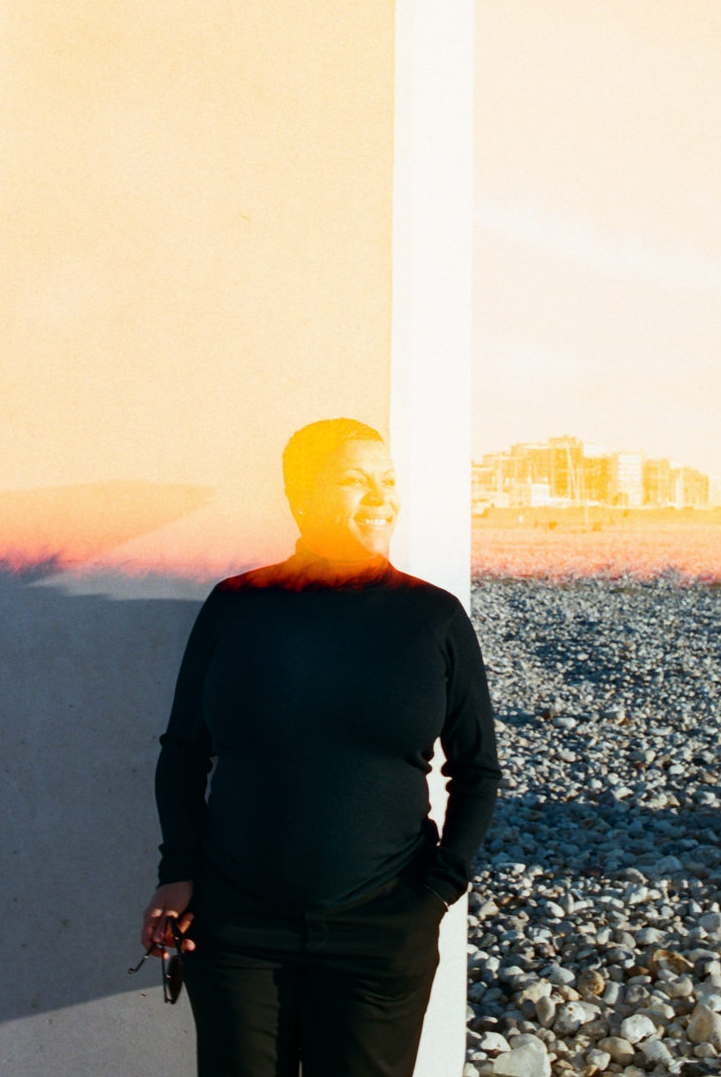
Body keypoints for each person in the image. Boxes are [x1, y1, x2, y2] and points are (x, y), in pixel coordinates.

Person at [139, 418, 501, 1077]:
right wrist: (178, 868)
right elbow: (183, 749)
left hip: (382, 930)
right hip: (236, 927)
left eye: (388, 481)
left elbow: (477, 771)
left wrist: (435, 893)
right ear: (301, 496)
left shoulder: (433, 619)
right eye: (355, 481)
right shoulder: (237, 606)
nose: (380, 497)